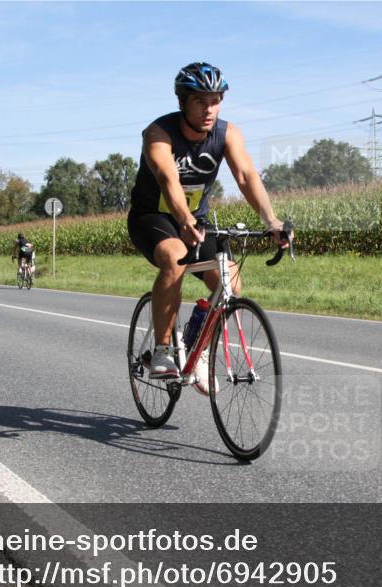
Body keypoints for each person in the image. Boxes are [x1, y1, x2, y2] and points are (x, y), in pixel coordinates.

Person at [127, 62, 291, 393]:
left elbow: (245, 176)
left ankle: (197, 347)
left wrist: (271, 220)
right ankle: (161, 352)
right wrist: (183, 219)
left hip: (196, 222)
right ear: (183, 101)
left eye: (215, 100)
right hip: (152, 218)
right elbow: (166, 177)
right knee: (174, 258)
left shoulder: (227, 133)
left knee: (230, 282)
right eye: (201, 101)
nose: (209, 109)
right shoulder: (159, 134)